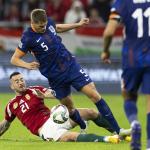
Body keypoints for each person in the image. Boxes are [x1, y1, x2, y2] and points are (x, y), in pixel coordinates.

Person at [10, 8, 130, 136]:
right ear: (32, 23)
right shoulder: (27, 38)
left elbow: (57, 28)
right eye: (40, 26)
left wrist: (77, 24)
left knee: (94, 95)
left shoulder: (48, 23)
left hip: (70, 65)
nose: (43, 28)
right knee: (70, 107)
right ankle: (83, 125)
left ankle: (119, 130)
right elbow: (14, 59)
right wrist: (27, 65)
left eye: (45, 25)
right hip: (55, 76)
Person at [0, 71, 121, 143]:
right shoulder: (11, 106)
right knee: (72, 137)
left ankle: (118, 132)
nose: (21, 82)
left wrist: (46, 95)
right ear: (12, 86)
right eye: (17, 81)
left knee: (90, 112)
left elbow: (54, 93)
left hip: (55, 118)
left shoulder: (34, 90)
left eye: (22, 79)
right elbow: (5, 124)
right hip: (45, 130)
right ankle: (108, 139)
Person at [101, 0, 150, 150]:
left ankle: (134, 123)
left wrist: (106, 50)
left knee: (128, 95)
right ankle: (149, 144)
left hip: (131, 58)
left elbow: (109, 32)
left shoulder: (122, 2)